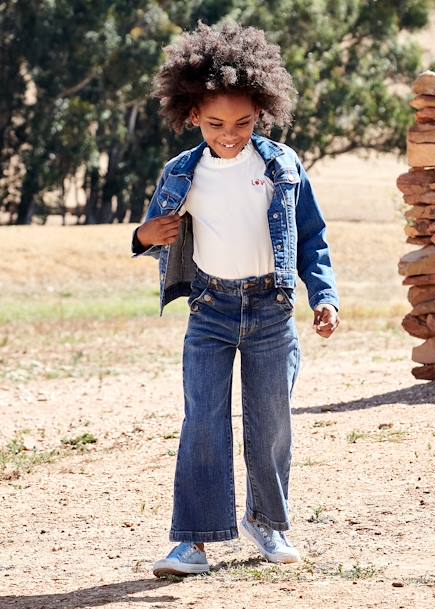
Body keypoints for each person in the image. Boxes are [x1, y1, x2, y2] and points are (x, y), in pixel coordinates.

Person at [132, 22, 340, 577]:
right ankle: (193, 542)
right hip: (210, 312)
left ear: (263, 112)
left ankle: (267, 523)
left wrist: (325, 296)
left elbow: (313, 236)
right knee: (203, 420)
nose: (230, 133)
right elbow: (149, 233)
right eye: (216, 122)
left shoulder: (283, 167)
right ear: (192, 113)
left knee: (271, 422)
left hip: (272, 312)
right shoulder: (182, 172)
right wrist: (143, 236)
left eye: (244, 122)